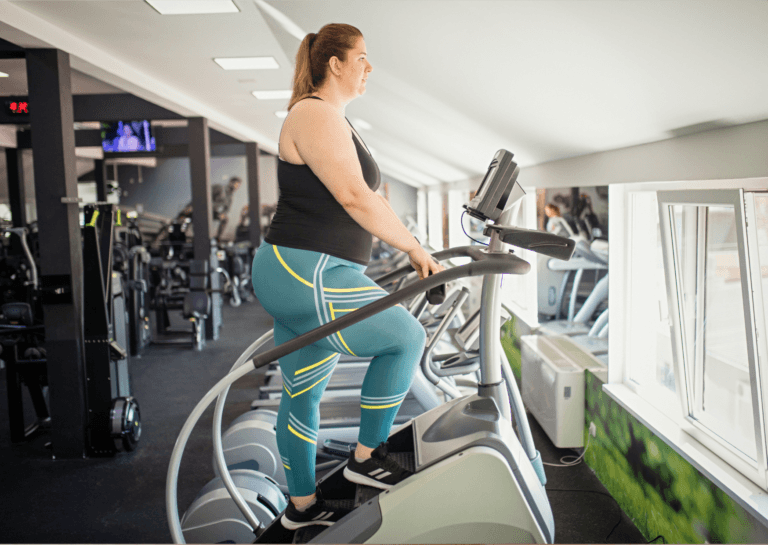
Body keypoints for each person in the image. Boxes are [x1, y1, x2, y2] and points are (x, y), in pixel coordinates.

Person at [250, 23, 444, 530]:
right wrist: (413, 247)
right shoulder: (313, 112)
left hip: (310, 269)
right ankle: (365, 460)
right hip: (305, 269)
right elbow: (355, 198)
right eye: (361, 57)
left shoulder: (334, 118)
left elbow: (369, 196)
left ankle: (300, 510)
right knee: (405, 337)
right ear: (334, 63)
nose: (369, 66)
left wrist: (411, 239)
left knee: (303, 395)